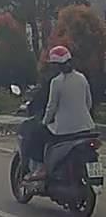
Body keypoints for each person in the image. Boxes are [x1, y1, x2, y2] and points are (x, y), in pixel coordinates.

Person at [26, 45, 95, 181]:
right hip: (86, 127)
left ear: (56, 66)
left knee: (37, 135)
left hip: (64, 130)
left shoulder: (56, 82)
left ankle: (41, 168)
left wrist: (45, 122)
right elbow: (89, 103)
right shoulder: (82, 78)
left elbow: (51, 107)